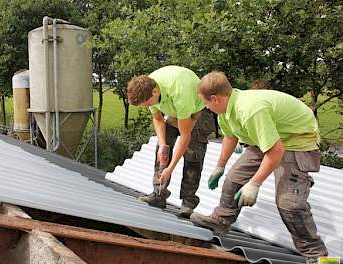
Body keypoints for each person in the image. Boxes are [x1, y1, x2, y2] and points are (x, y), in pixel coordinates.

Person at [190, 71, 328, 263]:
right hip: (269, 139)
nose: (206, 108)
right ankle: (221, 221)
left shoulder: (250, 109)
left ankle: (316, 254)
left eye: (205, 103)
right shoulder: (225, 110)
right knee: (233, 180)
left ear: (214, 98)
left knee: (289, 205)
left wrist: (255, 183)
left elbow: (275, 151)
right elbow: (231, 136)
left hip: (296, 142)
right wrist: (220, 167)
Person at [127, 65, 215, 217]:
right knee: (162, 151)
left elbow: (185, 136)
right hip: (175, 110)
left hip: (196, 111)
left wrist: (170, 168)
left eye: (148, 102)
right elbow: (157, 118)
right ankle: (159, 195)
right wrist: (162, 144)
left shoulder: (180, 92)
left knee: (192, 155)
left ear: (155, 91)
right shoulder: (147, 88)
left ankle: (188, 202)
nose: (148, 106)